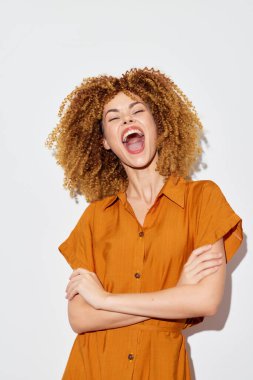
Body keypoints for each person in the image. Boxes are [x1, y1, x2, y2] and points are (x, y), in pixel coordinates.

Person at [45, 67, 243, 379]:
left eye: (138, 110)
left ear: (159, 126)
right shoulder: (96, 218)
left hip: (161, 368)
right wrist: (175, 294)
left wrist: (105, 301)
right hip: (93, 368)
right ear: (105, 142)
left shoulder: (203, 199)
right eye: (114, 117)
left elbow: (205, 299)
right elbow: (81, 317)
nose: (127, 120)